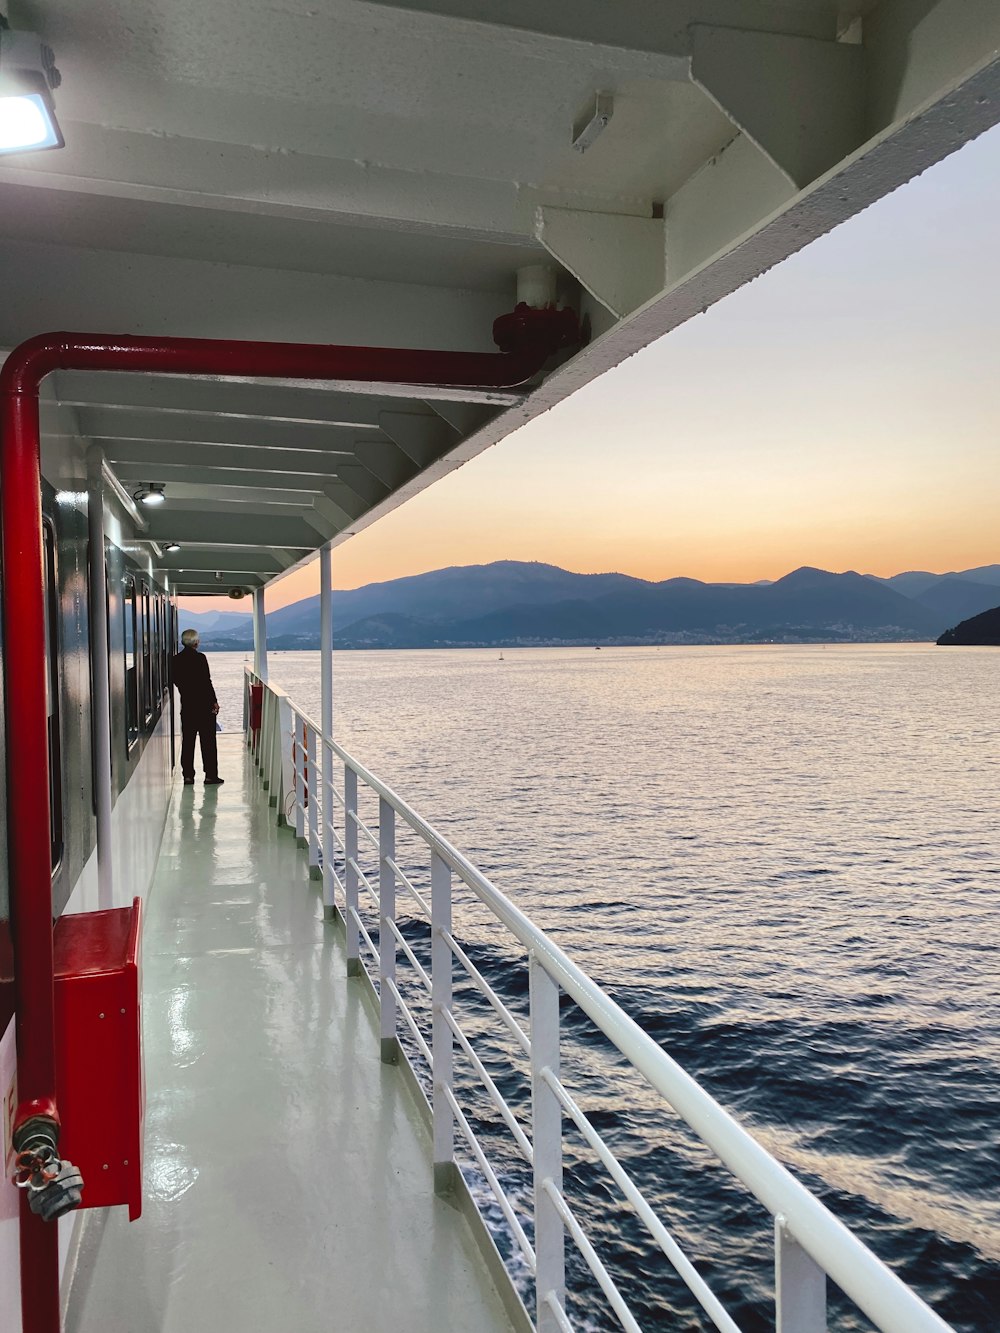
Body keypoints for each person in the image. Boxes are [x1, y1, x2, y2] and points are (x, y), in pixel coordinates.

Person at [172, 629, 223, 786]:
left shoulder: (175, 660)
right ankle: (210, 776)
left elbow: (177, 681)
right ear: (195, 642)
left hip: (187, 706)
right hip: (204, 707)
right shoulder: (200, 658)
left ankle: (188, 776)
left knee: (188, 742)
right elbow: (206, 682)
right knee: (208, 742)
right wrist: (214, 701)